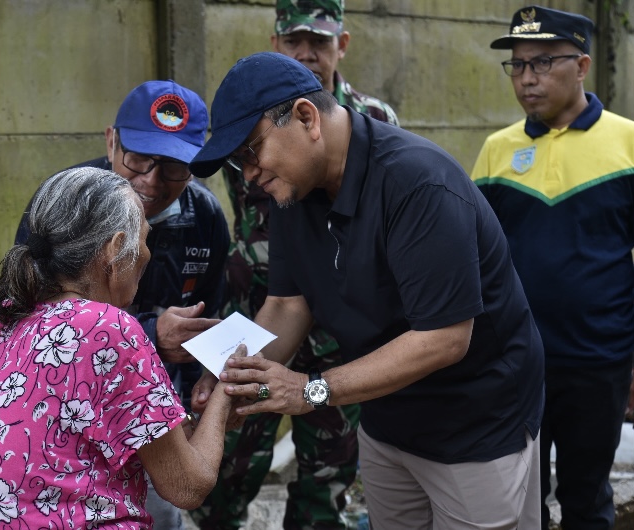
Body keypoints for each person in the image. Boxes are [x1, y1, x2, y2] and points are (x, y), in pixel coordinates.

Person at [189, 51, 545, 529]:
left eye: (251, 151)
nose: (248, 173)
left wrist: (313, 390)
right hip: (385, 416)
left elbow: (443, 338)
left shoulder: (418, 184)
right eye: (237, 162)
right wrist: (229, 373)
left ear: (306, 117)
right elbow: (287, 304)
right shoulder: (294, 190)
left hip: (475, 424)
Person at [0, 167, 245, 529]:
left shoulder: (4, 314)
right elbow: (188, 486)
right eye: (143, 240)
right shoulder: (106, 328)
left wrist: (191, 423)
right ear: (114, 250)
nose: (145, 253)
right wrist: (224, 388)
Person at [193, 2, 398, 528]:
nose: (308, 53)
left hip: (336, 325)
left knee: (327, 474)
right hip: (260, 310)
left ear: (341, 45)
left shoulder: (373, 122)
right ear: (276, 42)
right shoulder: (249, 124)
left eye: (320, 43)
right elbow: (248, 225)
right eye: (294, 42)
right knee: (226, 461)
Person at [15, 80, 230, 528]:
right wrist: (152, 335)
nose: (151, 180)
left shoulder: (206, 217)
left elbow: (211, 319)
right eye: (139, 159)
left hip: (160, 419)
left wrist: (201, 391)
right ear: (111, 140)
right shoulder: (64, 204)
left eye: (173, 167)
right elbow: (29, 316)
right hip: (65, 420)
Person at [470, 6, 634, 529]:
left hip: (598, 360)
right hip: (517, 362)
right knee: (519, 500)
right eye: (517, 66)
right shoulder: (497, 151)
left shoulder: (627, 144)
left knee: (587, 497)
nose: (527, 79)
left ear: (582, 65)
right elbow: (475, 258)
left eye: (542, 62)